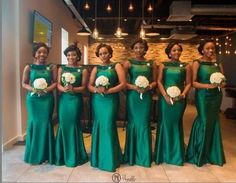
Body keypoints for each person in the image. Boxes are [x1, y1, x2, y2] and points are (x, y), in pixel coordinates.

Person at [186, 39, 226, 166]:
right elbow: (193, 83)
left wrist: (221, 84)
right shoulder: (197, 63)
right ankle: (198, 153)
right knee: (203, 120)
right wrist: (208, 86)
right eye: (208, 48)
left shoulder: (218, 63)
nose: (211, 50)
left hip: (216, 96)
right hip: (203, 96)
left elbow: (224, 81)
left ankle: (213, 153)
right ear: (202, 50)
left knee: (213, 121)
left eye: (213, 48)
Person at [88, 43, 126, 172]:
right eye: (101, 53)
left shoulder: (116, 66)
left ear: (110, 54)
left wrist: (108, 91)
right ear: (98, 55)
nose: (103, 55)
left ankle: (110, 159)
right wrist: (97, 90)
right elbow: (89, 85)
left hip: (110, 100)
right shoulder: (96, 69)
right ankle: (98, 157)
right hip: (98, 101)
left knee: (108, 125)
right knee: (99, 125)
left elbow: (122, 84)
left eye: (105, 53)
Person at [154, 42, 191, 166]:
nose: (177, 52)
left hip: (180, 100)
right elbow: (159, 82)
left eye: (179, 50)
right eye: (174, 50)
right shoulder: (163, 65)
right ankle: (162, 154)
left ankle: (176, 155)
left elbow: (189, 83)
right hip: (165, 99)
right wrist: (165, 95)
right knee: (165, 123)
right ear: (169, 52)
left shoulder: (186, 66)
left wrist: (183, 95)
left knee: (176, 124)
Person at [123, 38, 157, 167]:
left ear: (145, 49)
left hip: (146, 96)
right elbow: (123, 82)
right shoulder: (128, 63)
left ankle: (144, 155)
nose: (139, 50)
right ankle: (131, 154)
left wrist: (149, 87)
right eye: (136, 47)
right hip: (133, 97)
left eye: (141, 47)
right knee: (134, 123)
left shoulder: (152, 63)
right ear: (133, 49)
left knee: (144, 123)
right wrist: (134, 87)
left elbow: (155, 81)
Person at [22, 42, 57, 164]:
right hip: (33, 100)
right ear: (35, 53)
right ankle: (34, 154)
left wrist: (46, 89)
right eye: (40, 52)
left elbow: (55, 83)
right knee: (35, 123)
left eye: (45, 52)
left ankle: (47, 153)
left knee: (45, 123)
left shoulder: (52, 67)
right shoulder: (29, 67)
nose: (42, 54)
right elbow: (24, 83)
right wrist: (34, 89)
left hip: (47, 99)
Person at [55, 43, 88, 167]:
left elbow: (84, 87)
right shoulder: (61, 69)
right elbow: (58, 84)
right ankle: (61, 155)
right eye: (68, 55)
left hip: (75, 100)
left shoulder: (83, 70)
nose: (71, 57)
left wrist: (73, 89)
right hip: (64, 99)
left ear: (78, 56)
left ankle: (74, 154)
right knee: (63, 123)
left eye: (73, 55)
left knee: (73, 124)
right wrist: (63, 89)